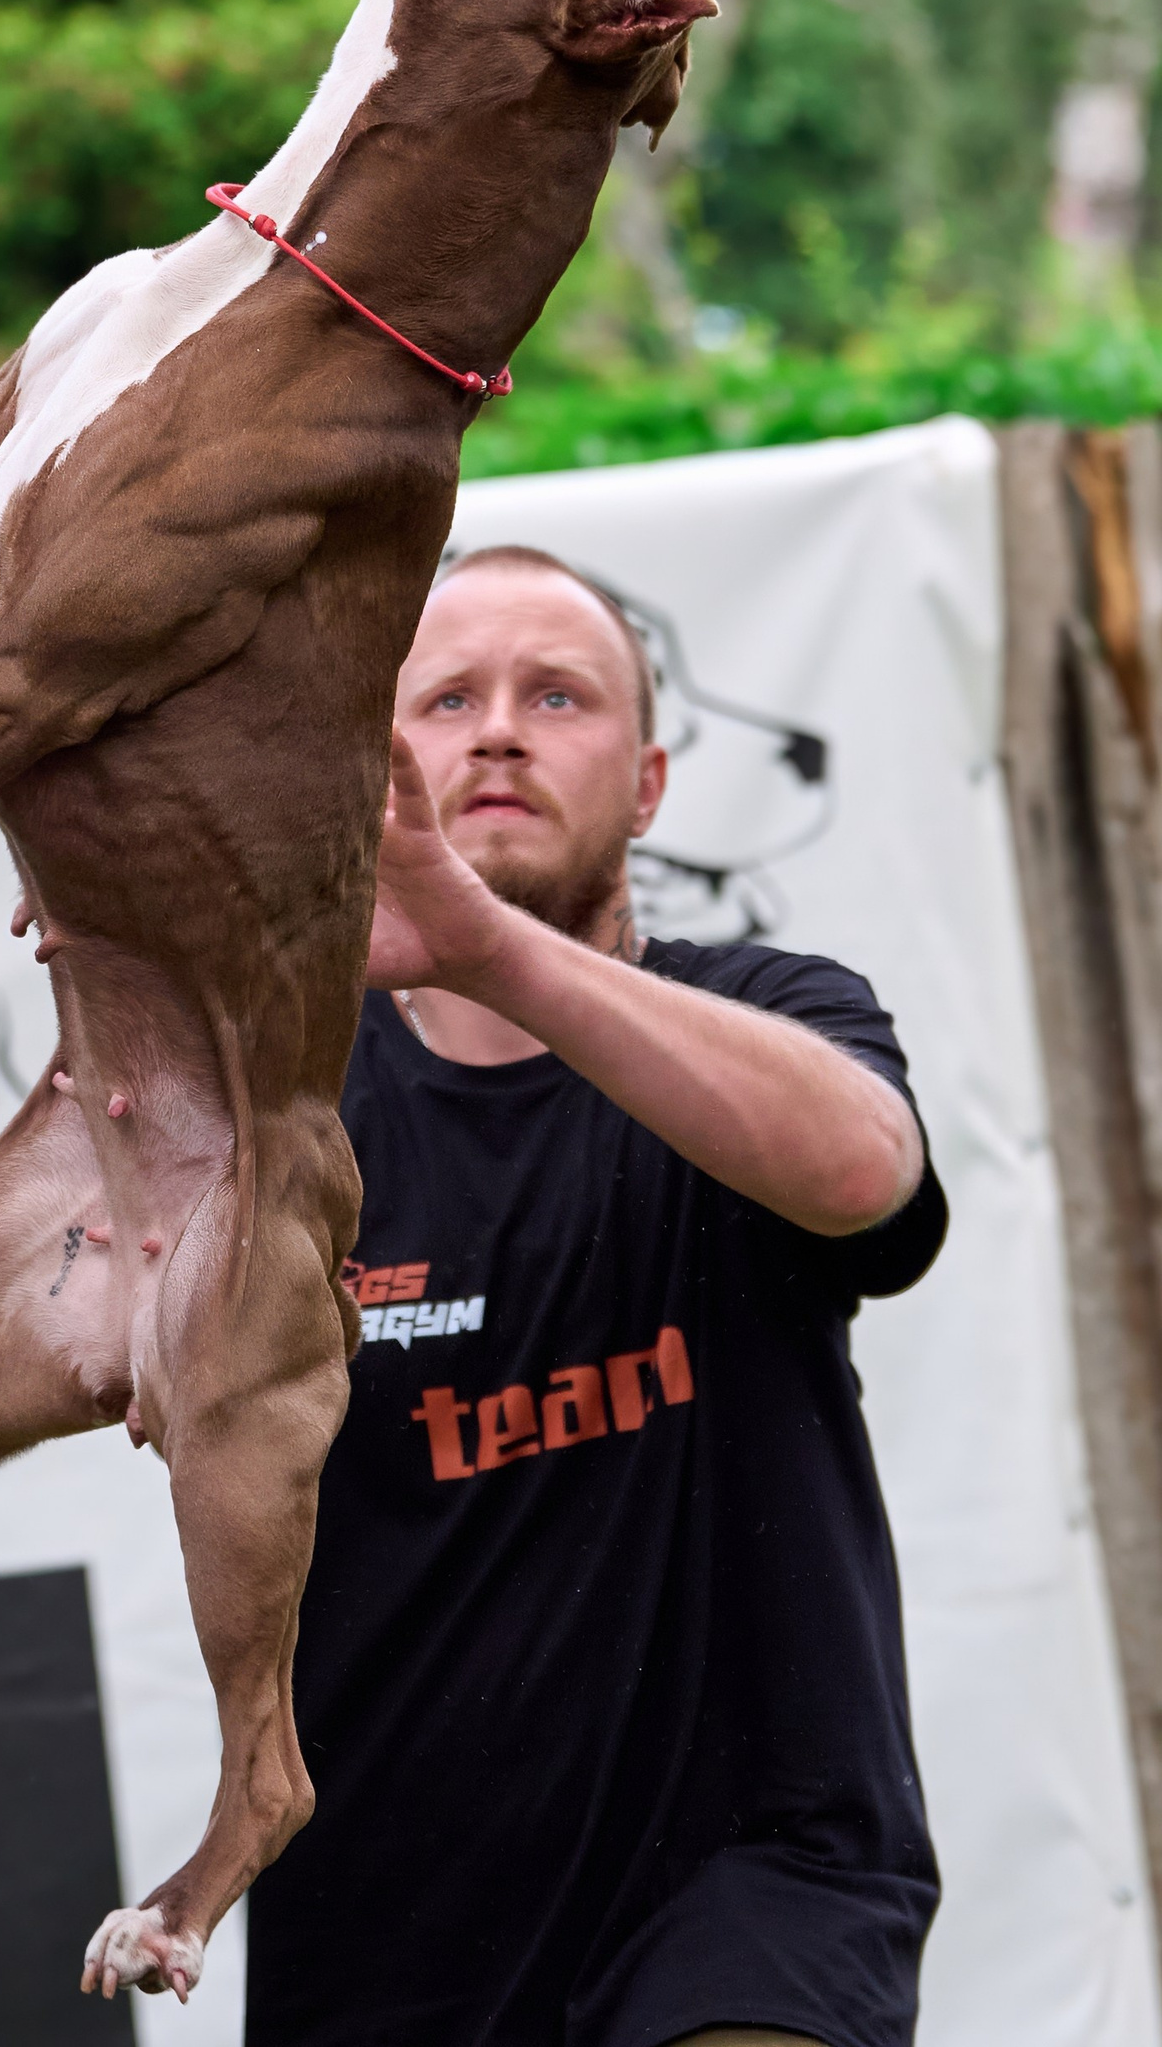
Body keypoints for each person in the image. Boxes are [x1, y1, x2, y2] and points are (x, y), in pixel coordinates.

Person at [245, 543, 945, 2047]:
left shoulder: (773, 1009)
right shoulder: (278, 1110)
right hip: (381, 1934)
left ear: (646, 782)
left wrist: (487, 948)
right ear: (372, 764)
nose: (497, 728)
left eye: (555, 695)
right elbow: (64, 1318)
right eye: (445, 696)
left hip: (755, 1888)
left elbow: (866, 1176)